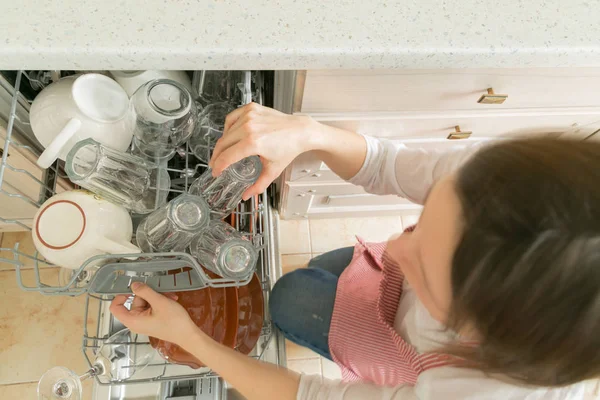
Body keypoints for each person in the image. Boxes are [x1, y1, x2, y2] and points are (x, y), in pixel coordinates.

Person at [110, 103, 600, 400]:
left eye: (426, 275)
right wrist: (308, 132)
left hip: (404, 358)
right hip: (399, 308)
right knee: (321, 276)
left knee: (290, 301)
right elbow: (387, 162)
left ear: (477, 340)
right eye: (423, 218)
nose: (393, 246)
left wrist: (193, 339)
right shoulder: (504, 185)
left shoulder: (481, 392)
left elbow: (311, 394)